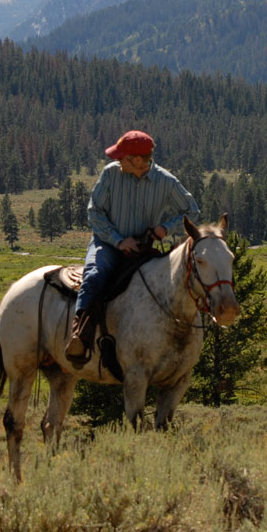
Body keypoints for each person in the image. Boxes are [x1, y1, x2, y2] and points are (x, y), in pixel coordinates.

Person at [66, 130, 200, 365]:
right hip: (107, 243)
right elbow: (94, 212)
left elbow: (192, 211)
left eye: (122, 157)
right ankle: (80, 334)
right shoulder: (110, 175)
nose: (117, 160)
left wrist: (166, 228)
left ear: (137, 160)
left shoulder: (166, 181)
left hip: (143, 248)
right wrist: (118, 240)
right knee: (95, 275)